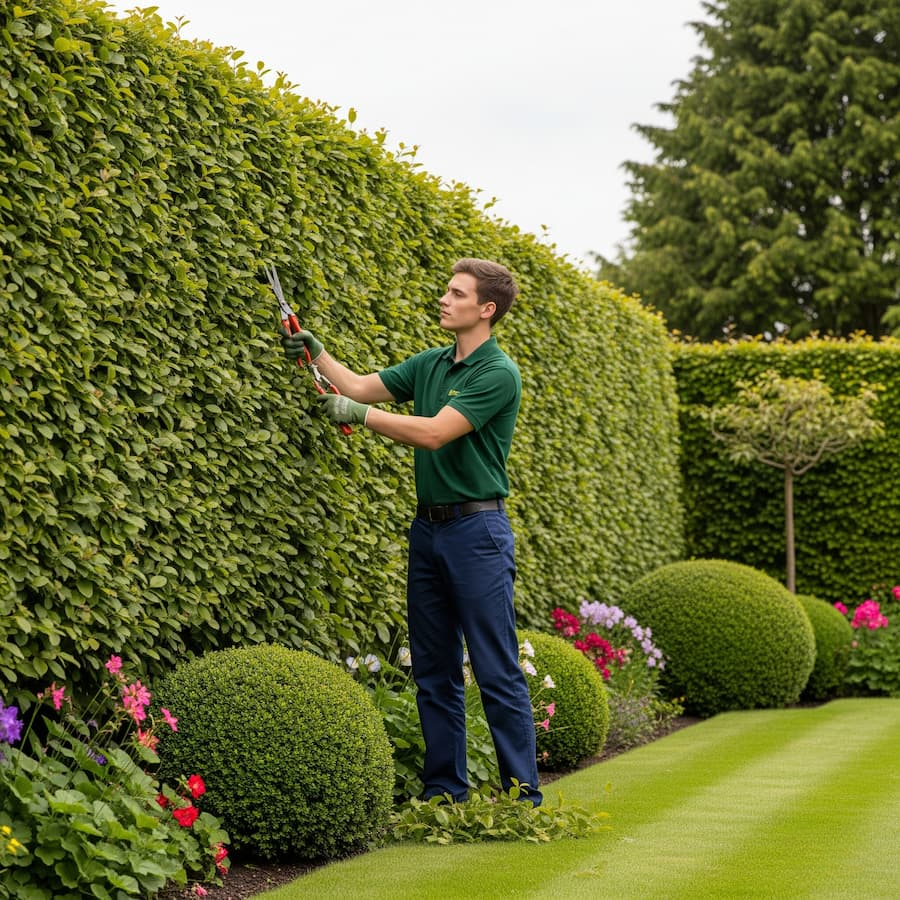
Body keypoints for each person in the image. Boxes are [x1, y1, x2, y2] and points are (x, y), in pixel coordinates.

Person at [280, 258, 541, 806]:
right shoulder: (430, 364)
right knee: (433, 669)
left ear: (485, 309)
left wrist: (360, 416)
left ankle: (524, 799)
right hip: (428, 532)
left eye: (456, 293)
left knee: (495, 669)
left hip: (479, 532)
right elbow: (355, 385)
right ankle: (445, 794)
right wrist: (314, 349)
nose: (444, 298)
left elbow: (435, 432)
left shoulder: (497, 372)